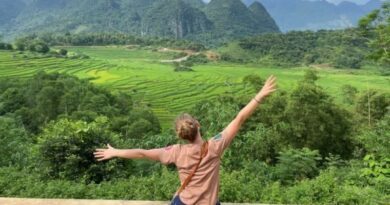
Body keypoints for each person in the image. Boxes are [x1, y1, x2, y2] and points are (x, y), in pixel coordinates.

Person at [94, 75, 277, 205]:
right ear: (198, 125)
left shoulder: (174, 152)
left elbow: (142, 152)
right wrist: (259, 96)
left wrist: (115, 152)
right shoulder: (215, 146)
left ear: (179, 134)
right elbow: (239, 118)